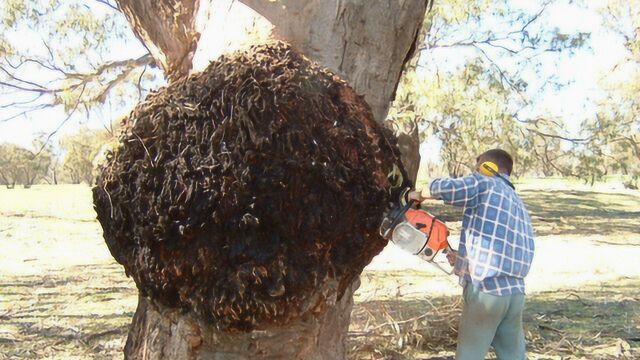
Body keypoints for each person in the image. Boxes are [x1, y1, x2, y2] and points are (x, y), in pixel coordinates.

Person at [409, 149, 535, 360]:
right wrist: (463, 259)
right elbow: (502, 246)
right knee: (513, 356)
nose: (476, 171)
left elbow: (449, 188)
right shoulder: (517, 202)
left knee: (469, 355)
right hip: (515, 294)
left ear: (488, 167)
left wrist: (417, 194)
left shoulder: (485, 182)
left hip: (487, 291)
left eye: (478, 167)